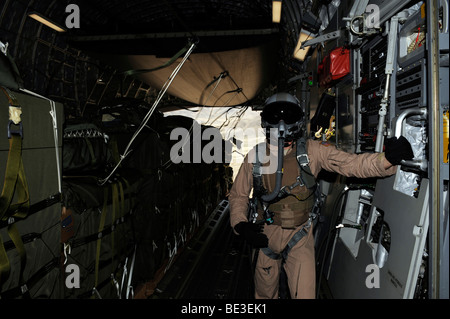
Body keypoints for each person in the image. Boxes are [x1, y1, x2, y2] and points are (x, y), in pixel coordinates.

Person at [228, 92, 414, 299]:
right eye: (275, 117)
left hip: (299, 235)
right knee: (263, 294)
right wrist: (241, 225)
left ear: (297, 121)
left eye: (288, 117)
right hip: (265, 233)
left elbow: (352, 164)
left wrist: (386, 160)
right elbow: (239, 195)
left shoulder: (313, 152)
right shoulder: (254, 157)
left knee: (305, 294)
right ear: (266, 122)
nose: (281, 124)